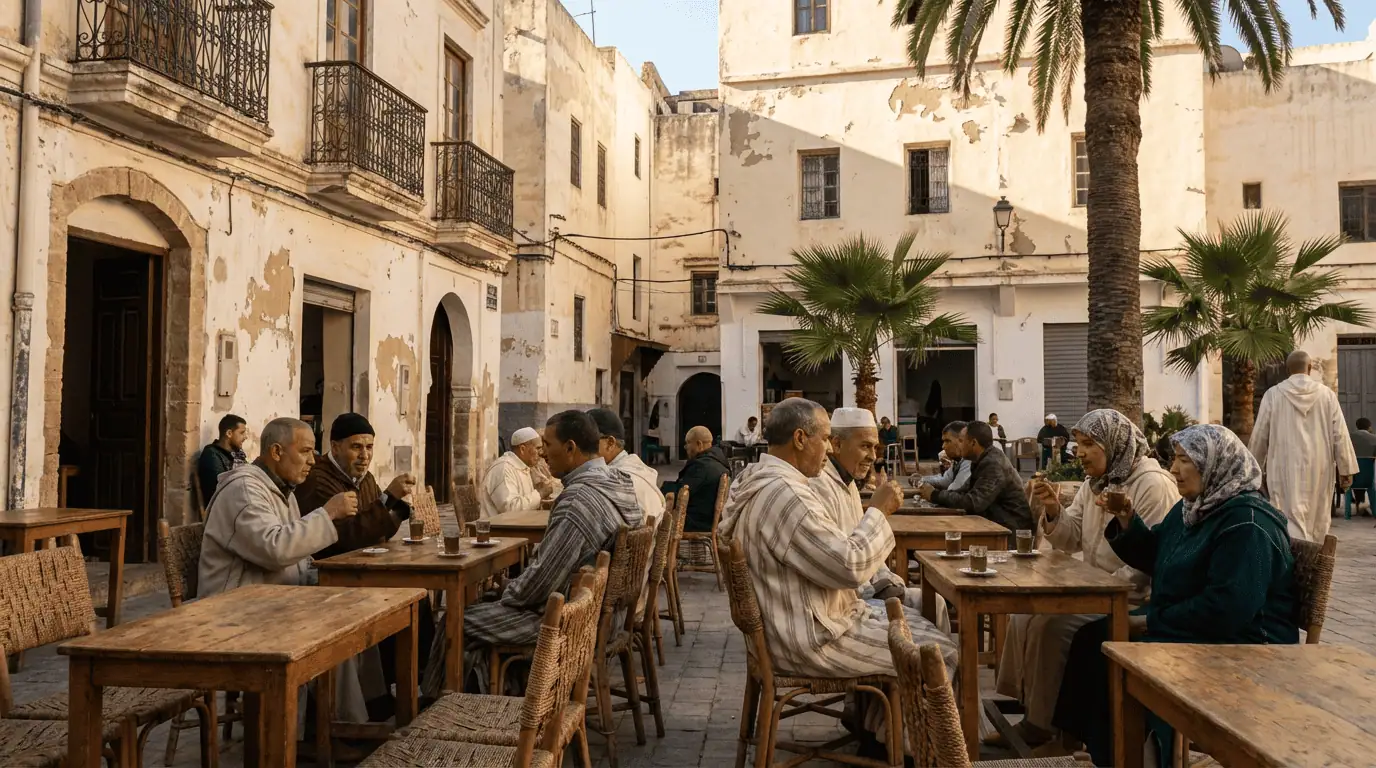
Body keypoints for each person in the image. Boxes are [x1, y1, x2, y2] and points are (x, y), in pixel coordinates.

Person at [1053, 424, 1298, 766]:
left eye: (1185, 460)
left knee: (1110, 650)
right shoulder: (1196, 509)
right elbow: (1158, 554)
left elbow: (1228, 609)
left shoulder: (1247, 524)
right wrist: (1127, 520)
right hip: (1195, 626)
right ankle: (1109, 750)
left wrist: (1151, 621)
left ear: (1215, 464)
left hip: (1242, 642)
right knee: (1092, 638)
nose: (1173, 469)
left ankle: (1141, 753)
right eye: (1176, 459)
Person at [717, 398, 955, 739]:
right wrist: (878, 512)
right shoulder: (787, 495)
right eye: (826, 439)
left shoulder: (759, 480)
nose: (829, 449)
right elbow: (849, 565)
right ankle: (918, 752)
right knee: (939, 655)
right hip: (810, 640)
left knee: (917, 623)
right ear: (801, 439)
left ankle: (882, 737)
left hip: (792, 625)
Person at [994, 410, 1178, 748]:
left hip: (1130, 597)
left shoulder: (1152, 485)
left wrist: (1099, 588)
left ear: (1114, 444)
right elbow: (1072, 537)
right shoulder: (1099, 482)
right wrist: (1053, 510)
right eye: (1078, 444)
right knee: (1024, 616)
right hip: (1095, 589)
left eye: (1088, 444)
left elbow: (1148, 562)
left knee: (1052, 626)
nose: (1079, 452)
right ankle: (1029, 708)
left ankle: (1044, 726)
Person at [464, 411, 643, 653]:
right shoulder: (618, 481)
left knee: (458, 619)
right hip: (608, 615)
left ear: (570, 448)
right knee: (488, 604)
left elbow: (541, 584)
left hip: (573, 620)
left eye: (547, 445)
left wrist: (508, 592)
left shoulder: (578, 500)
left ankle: (441, 691)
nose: (543, 454)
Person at [811, 408, 950, 632]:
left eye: (875, 448)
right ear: (836, 444)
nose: (873, 456)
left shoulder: (846, 481)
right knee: (934, 630)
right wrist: (879, 510)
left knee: (935, 602)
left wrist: (889, 582)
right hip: (846, 604)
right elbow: (845, 564)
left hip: (867, 588)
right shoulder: (821, 484)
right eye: (865, 446)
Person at [1250, 350, 1357, 542]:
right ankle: (1313, 560)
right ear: (1310, 368)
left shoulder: (1273, 395)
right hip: (1320, 466)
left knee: (1284, 513)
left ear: (1287, 369)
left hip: (1283, 466)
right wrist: (1346, 469)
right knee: (1318, 515)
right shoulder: (1327, 396)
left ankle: (1289, 557)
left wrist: (1254, 470)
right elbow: (1339, 433)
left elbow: (1260, 436)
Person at [296, 413, 416, 559]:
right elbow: (347, 538)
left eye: (369, 447)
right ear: (335, 448)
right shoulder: (317, 479)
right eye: (356, 447)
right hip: (331, 570)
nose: (365, 455)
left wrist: (399, 510)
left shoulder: (367, 479)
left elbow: (377, 532)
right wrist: (389, 497)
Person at [917, 421, 1034, 532]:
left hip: (1012, 531)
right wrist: (935, 495)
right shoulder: (980, 460)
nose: (959, 445)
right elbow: (963, 492)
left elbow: (974, 503)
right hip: (996, 524)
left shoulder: (993, 463)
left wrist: (934, 495)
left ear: (973, 443)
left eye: (962, 441)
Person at [588, 407, 665, 529]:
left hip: (634, 546)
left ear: (610, 443)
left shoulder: (615, 478)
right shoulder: (633, 467)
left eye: (587, 443)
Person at [480, 427, 561, 518]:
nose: (541, 453)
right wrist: (540, 493)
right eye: (538, 448)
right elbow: (510, 509)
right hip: (497, 530)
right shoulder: (504, 468)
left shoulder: (524, 467)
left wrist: (543, 502)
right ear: (522, 449)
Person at [675, 425, 730, 532]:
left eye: (688, 443)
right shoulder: (720, 461)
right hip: (710, 520)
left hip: (696, 522)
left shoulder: (700, 466)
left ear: (699, 444)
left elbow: (680, 494)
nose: (685, 447)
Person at [196, 414, 248, 506]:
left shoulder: (238, 453)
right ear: (229, 433)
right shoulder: (212, 454)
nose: (245, 437)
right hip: (224, 508)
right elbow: (220, 490)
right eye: (242, 433)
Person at [915, 421, 970, 493]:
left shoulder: (969, 460)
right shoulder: (958, 460)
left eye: (947, 441)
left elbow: (953, 491)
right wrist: (921, 479)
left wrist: (931, 494)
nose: (943, 446)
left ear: (961, 441)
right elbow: (945, 481)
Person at [1350, 418, 1376, 513]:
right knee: (1367, 474)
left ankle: (1359, 502)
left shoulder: (1348, 437)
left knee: (1357, 472)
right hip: (1370, 478)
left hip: (1351, 478)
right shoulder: (1374, 438)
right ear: (1369, 427)